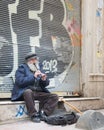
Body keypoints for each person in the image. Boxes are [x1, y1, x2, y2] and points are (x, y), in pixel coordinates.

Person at [11, 52, 59, 123]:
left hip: (37, 92)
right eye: (33, 60)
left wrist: (44, 79)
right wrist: (33, 76)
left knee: (54, 96)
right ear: (28, 61)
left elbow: (46, 84)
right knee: (28, 92)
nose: (35, 61)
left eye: (36, 59)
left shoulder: (39, 68)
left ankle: (43, 113)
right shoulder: (22, 68)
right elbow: (19, 82)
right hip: (25, 92)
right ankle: (33, 114)